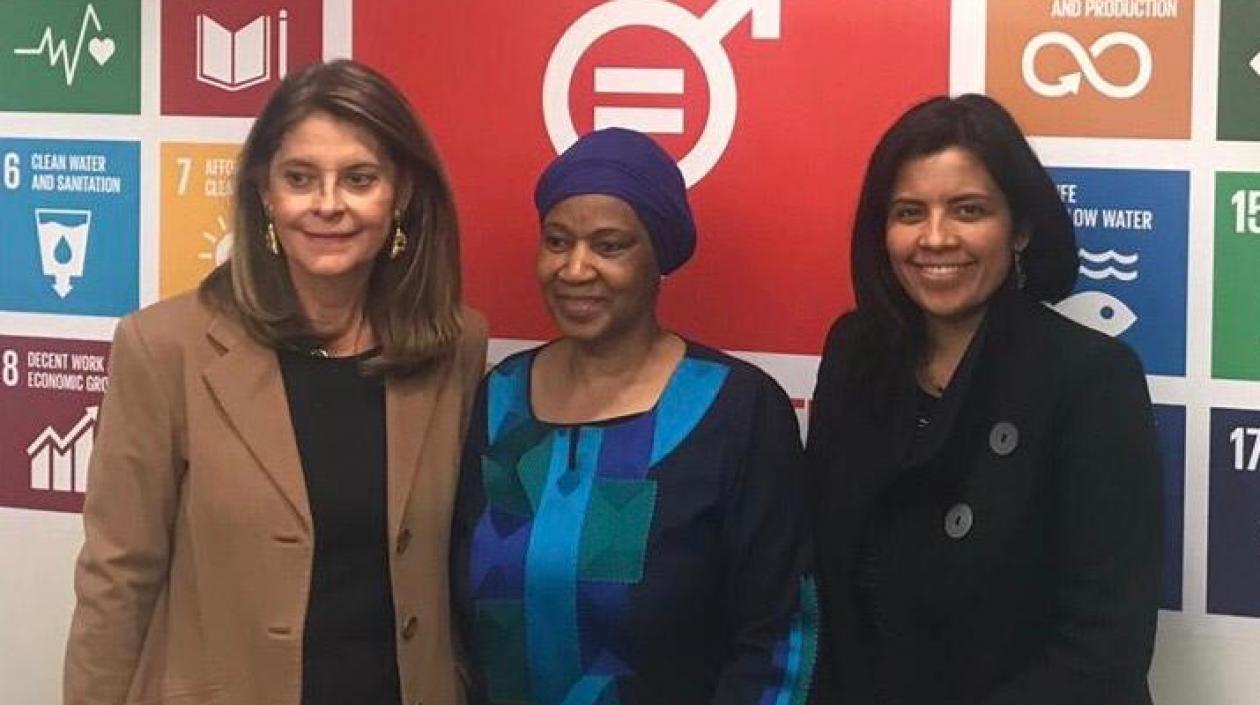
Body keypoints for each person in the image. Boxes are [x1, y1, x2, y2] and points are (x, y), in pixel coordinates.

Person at [63, 59, 486, 705]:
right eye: (299, 178)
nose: (327, 204)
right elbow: (118, 578)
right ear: (265, 193)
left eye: (359, 178)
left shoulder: (453, 345)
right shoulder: (165, 348)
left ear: (400, 193)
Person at [807, 93, 1162, 704]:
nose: (935, 238)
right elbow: (826, 588)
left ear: (1020, 227)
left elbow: (1105, 651)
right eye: (909, 212)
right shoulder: (854, 354)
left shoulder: (1091, 378)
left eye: (967, 210)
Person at [450, 127, 817, 705]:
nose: (574, 269)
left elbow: (779, 636)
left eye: (609, 245)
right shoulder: (500, 399)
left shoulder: (735, 409)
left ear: (659, 256)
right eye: (557, 241)